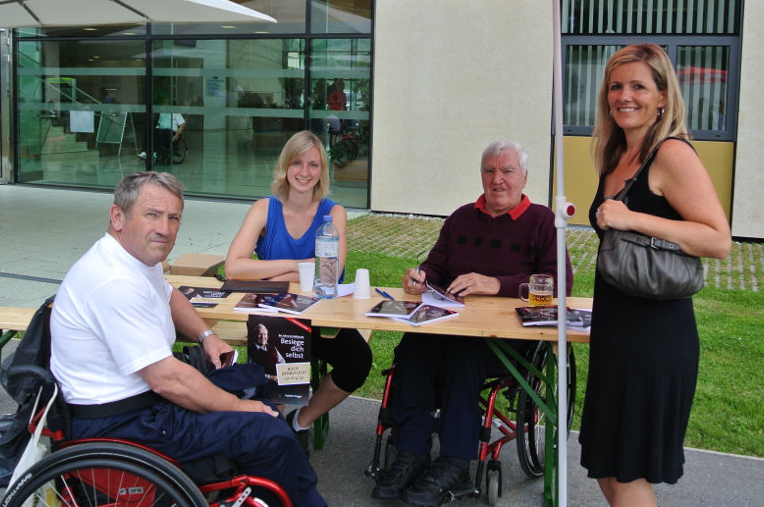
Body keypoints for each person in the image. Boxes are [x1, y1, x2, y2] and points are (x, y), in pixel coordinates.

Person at [50, 172, 325, 507]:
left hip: (142, 398)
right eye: (152, 214)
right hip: (121, 422)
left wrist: (207, 336)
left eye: (173, 217)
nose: (164, 229)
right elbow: (168, 380)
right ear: (118, 217)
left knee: (254, 379)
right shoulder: (113, 281)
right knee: (265, 431)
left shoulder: (134, 257)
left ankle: (300, 497)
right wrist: (240, 408)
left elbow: (169, 295)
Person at [373, 140, 573, 507]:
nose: (497, 180)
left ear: (524, 177)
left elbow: (560, 283)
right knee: (415, 342)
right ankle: (411, 451)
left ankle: (456, 464)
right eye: (489, 171)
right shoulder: (461, 217)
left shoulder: (542, 221)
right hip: (452, 323)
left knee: (467, 348)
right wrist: (420, 277)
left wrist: (498, 284)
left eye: (507, 171)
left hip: (507, 339)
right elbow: (436, 266)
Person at [580, 44, 731, 507]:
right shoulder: (617, 154)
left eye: (638, 86)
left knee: (627, 472)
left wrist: (633, 218)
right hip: (615, 331)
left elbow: (718, 240)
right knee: (606, 465)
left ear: (663, 96)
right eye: (615, 86)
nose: (624, 96)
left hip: (654, 336)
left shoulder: (671, 153)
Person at [225, 130, 372, 455]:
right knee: (278, 364)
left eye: (313, 164)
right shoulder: (264, 209)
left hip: (318, 318)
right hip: (273, 317)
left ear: (322, 170)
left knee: (358, 361)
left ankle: (300, 422)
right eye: (297, 163)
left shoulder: (334, 213)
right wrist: (296, 265)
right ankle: (272, 433)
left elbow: (330, 273)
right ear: (285, 166)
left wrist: (271, 271)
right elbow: (233, 268)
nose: (304, 172)